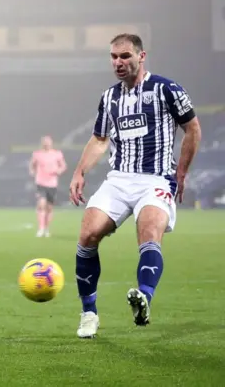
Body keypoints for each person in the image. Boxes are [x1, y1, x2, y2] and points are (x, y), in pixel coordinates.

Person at [69, 34, 202, 338]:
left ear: (142, 57)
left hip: (156, 178)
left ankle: (143, 297)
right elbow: (100, 139)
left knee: (150, 230)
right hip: (119, 178)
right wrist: (79, 172)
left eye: (125, 56)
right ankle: (89, 313)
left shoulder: (166, 89)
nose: (118, 62)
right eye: (114, 57)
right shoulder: (109, 97)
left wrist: (181, 173)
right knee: (88, 234)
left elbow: (192, 128)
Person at [29, 136, 66, 237]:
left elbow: (63, 166)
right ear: (42, 143)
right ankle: (40, 228)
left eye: (48, 142)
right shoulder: (37, 154)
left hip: (52, 183)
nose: (46, 144)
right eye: (45, 142)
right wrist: (32, 172)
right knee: (41, 204)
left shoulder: (57, 154)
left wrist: (59, 171)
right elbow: (32, 165)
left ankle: (46, 228)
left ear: (51, 143)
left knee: (49, 208)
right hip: (40, 182)